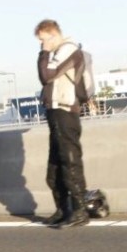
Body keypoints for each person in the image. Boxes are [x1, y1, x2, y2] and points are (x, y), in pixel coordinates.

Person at [34, 19, 89, 228]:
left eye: (43, 40)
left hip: (66, 111)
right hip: (55, 111)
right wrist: (46, 53)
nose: (42, 44)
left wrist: (44, 53)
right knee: (55, 166)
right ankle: (62, 209)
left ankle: (80, 210)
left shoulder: (68, 50)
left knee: (70, 161)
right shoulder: (56, 52)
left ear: (54, 35)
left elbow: (46, 75)